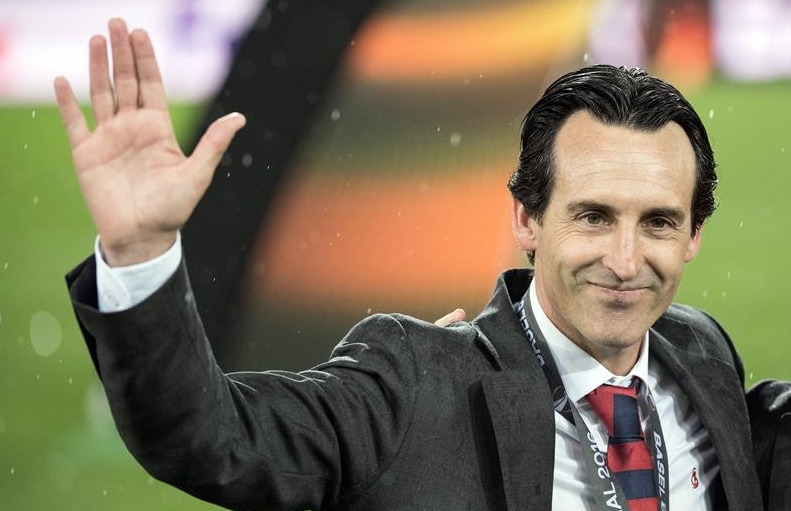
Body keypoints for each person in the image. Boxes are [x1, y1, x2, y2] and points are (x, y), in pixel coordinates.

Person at [56, 18, 764, 511]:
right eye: (593, 216)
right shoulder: (417, 383)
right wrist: (141, 252)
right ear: (526, 219)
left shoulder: (703, 359)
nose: (625, 259)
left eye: (658, 222)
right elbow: (209, 438)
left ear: (693, 234)